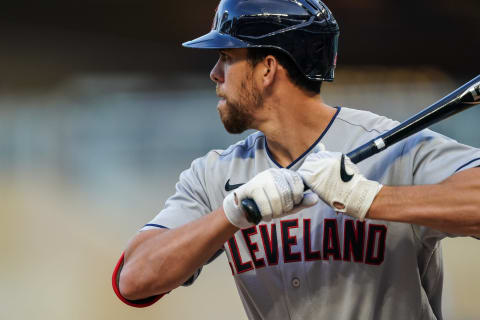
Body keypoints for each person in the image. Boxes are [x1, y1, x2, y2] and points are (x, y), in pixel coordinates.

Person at [112, 0, 480, 319]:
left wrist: (370, 199)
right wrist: (231, 214)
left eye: (226, 57)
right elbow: (133, 280)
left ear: (268, 68)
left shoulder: (391, 146)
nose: (215, 74)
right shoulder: (216, 174)